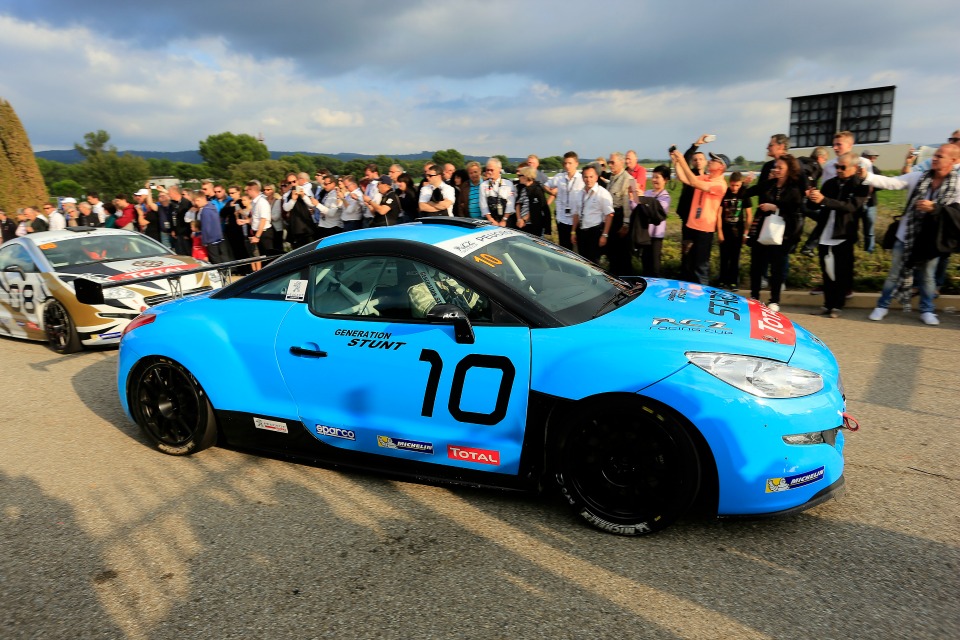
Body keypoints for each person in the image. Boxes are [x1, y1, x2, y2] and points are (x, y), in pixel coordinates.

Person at [864, 143, 960, 326]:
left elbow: (957, 213)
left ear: (953, 161)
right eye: (935, 155)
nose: (934, 158)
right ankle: (882, 306)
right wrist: (867, 176)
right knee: (893, 274)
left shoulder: (957, 186)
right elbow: (892, 182)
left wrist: (935, 208)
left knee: (927, 277)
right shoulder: (919, 177)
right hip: (906, 237)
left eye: (940, 156)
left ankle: (927, 309)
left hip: (932, 241)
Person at [806, 152, 869, 317]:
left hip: (844, 235)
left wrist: (824, 200)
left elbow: (849, 207)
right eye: (836, 166)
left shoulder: (860, 186)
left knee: (841, 272)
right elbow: (816, 207)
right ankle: (827, 304)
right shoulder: (830, 183)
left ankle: (838, 306)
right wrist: (811, 199)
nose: (839, 170)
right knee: (827, 272)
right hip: (825, 233)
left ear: (854, 168)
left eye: (842, 167)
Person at [746, 154, 805, 312]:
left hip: (782, 234)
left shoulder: (794, 188)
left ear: (789, 170)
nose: (776, 170)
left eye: (780, 167)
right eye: (775, 167)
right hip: (763, 230)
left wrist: (775, 207)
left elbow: (795, 210)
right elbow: (750, 193)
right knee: (757, 265)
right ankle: (754, 296)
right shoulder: (769, 184)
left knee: (777, 267)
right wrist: (745, 185)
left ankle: (775, 300)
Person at [670, 148, 728, 285]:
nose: (710, 161)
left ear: (721, 167)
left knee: (700, 267)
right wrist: (677, 162)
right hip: (691, 226)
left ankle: (702, 299)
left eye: (714, 160)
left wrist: (683, 160)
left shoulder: (720, 184)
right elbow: (684, 178)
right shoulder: (705, 177)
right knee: (688, 264)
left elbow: (695, 183)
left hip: (704, 231)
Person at [571, 165, 614, 264]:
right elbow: (576, 214)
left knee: (593, 262)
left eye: (591, 177)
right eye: (586, 177)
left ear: (596, 177)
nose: (588, 180)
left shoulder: (602, 193)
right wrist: (573, 232)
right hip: (581, 232)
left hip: (595, 232)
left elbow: (609, 215)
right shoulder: (579, 194)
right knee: (582, 261)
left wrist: (605, 235)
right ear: (582, 178)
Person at [604, 151, 638, 276]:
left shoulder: (629, 179)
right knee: (612, 254)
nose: (610, 165)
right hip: (611, 217)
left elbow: (631, 204)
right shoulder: (612, 178)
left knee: (623, 255)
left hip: (621, 218)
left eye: (612, 162)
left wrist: (626, 224)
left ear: (621, 162)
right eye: (609, 162)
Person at [718, 172, 752, 290]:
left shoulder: (744, 194)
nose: (735, 188)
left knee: (735, 257)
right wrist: (720, 231)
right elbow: (719, 213)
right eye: (732, 185)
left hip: (738, 231)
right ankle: (722, 280)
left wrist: (746, 232)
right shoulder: (725, 193)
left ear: (741, 184)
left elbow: (748, 214)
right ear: (729, 183)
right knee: (724, 257)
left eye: (737, 185)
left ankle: (733, 282)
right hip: (725, 229)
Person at [544, 151, 584, 250]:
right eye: (565, 163)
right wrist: (553, 193)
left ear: (576, 163)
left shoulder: (582, 179)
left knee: (577, 248)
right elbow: (545, 186)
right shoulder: (559, 177)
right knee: (564, 248)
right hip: (562, 218)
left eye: (570, 163)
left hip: (576, 219)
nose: (567, 166)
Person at [637, 165, 671, 277]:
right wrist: (633, 196)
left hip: (656, 237)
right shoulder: (647, 193)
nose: (654, 180)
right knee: (645, 264)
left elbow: (657, 211)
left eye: (657, 177)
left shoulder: (665, 197)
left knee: (655, 266)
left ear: (665, 180)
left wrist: (642, 199)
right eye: (653, 177)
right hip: (645, 234)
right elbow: (637, 207)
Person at [479, 158, 516, 227]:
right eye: (487, 170)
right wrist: (491, 220)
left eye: (492, 170)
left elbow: (510, 204)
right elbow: (483, 205)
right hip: (491, 220)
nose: (489, 172)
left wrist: (504, 220)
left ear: (499, 169)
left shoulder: (508, 184)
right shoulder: (483, 185)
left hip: (506, 220)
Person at [514, 166, 550, 237]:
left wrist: (524, 220)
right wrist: (519, 219)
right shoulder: (523, 189)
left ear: (526, 176)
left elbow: (536, 208)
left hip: (534, 224)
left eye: (520, 175)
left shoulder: (537, 190)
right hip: (522, 223)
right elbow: (518, 204)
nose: (518, 177)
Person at [193, 192, 227, 263]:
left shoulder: (205, 211)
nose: (196, 203)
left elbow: (206, 228)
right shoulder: (212, 206)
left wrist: (204, 241)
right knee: (222, 258)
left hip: (211, 240)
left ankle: (220, 273)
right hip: (219, 237)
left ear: (203, 199)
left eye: (197, 200)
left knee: (215, 260)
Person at [859, 150, 881, 253]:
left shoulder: (875, 170)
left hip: (870, 203)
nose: (872, 159)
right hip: (857, 203)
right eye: (870, 157)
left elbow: (882, 185)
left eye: (874, 157)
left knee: (869, 230)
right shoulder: (856, 169)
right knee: (851, 226)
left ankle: (869, 251)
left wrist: (872, 187)